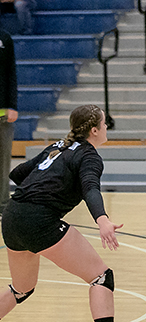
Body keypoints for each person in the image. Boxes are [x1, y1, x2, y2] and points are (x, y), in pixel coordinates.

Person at [0, 104, 123, 322]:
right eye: (104, 123)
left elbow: (17, 173)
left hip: (12, 216)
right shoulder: (89, 156)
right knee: (101, 278)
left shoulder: (58, 146)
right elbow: (90, 188)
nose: (106, 127)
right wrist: (102, 220)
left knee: (21, 288)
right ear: (94, 130)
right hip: (39, 221)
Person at [0, 28, 17, 217]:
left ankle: (3, 205)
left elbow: (11, 72)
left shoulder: (5, 37)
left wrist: (12, 105)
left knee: (3, 164)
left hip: (3, 114)